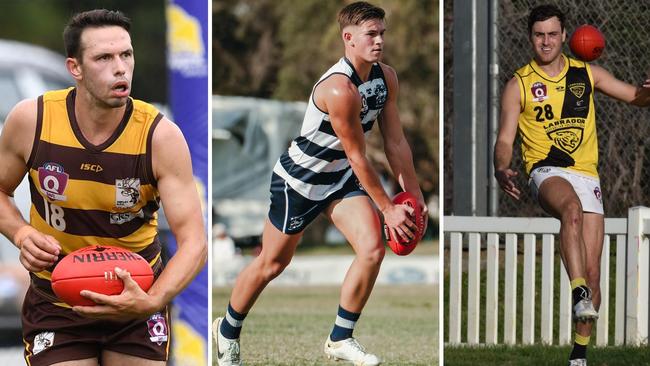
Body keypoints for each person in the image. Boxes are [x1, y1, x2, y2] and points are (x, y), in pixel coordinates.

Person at [212, 2, 428, 365]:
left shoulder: (386, 77)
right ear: (348, 38)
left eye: (382, 33)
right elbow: (359, 156)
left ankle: (340, 338)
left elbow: (395, 142)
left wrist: (414, 194)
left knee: (372, 248)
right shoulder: (340, 89)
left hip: (340, 178)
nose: (379, 41)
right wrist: (387, 208)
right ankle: (227, 330)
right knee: (272, 263)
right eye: (370, 34)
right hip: (299, 181)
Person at [0, 9, 207, 366]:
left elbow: (194, 242)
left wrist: (154, 300)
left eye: (126, 55)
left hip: (136, 301)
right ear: (75, 68)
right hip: (56, 303)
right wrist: (20, 234)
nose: (120, 67)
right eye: (104, 58)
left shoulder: (159, 137)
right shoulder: (31, 120)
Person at [493, 4, 650, 366]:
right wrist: (502, 167)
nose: (545, 41)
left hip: (587, 175)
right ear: (530, 37)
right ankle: (577, 289)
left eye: (552, 34)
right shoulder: (518, 84)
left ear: (565, 36)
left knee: (595, 280)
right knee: (571, 211)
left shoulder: (588, 74)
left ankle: (578, 357)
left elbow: (635, 98)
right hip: (546, 172)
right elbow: (504, 139)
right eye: (538, 35)